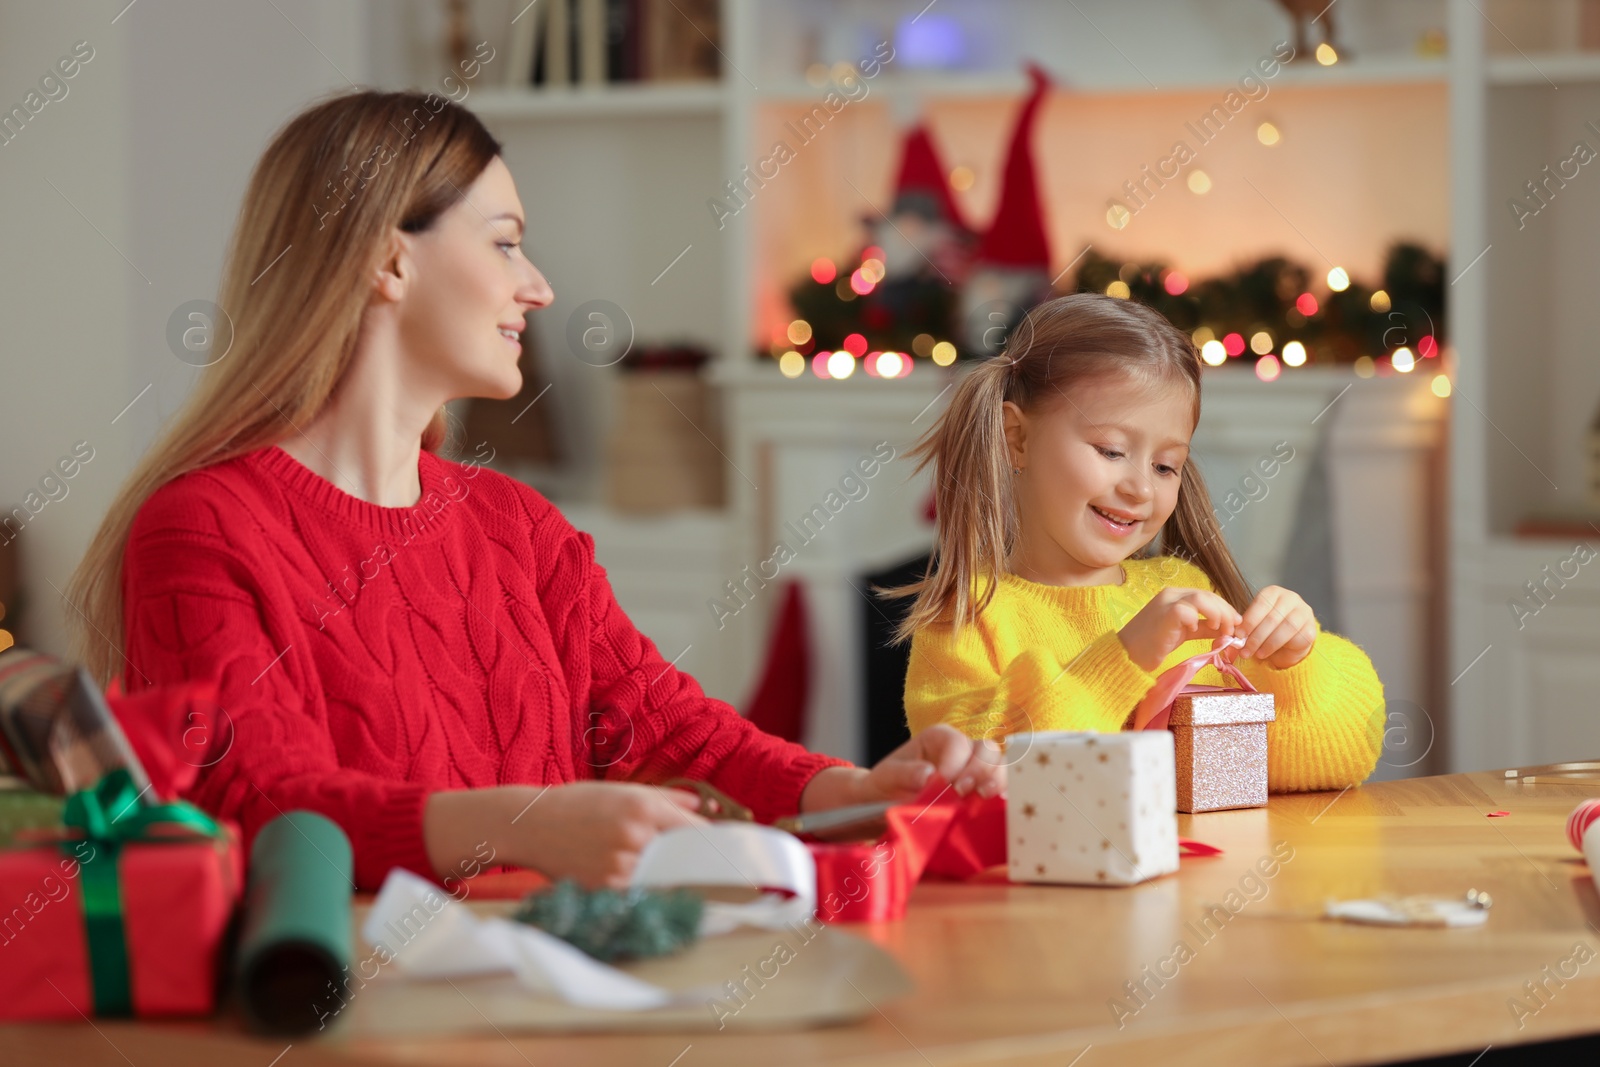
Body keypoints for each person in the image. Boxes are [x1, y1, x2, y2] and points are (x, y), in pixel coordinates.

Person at [66, 89, 1002, 892]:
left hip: (566, 988)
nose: (541, 287)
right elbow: (260, 806)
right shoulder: (199, 529)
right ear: (387, 261)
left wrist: (848, 789)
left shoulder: (513, 523)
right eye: (506, 243)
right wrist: (520, 824)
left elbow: (669, 724)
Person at [890, 293, 1384, 791]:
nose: (1141, 489)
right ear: (1016, 437)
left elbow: (1332, 759)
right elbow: (973, 781)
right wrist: (1122, 658)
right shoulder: (967, 616)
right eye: (1111, 450)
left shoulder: (1185, 592)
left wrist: (1296, 664)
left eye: (1165, 466)